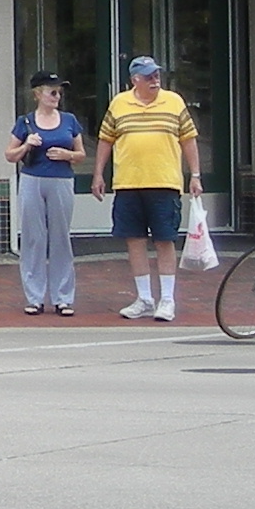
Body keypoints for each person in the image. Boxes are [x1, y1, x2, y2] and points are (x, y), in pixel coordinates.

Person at [90, 55, 201, 322]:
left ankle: (167, 300)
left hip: (164, 183)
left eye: (156, 75)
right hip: (128, 183)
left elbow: (189, 140)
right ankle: (144, 298)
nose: (155, 79)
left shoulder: (173, 102)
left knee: (165, 241)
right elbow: (106, 140)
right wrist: (98, 174)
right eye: (149, 75)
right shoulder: (119, 104)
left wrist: (195, 175)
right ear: (134, 80)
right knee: (135, 240)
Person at [6, 71, 87, 316]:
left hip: (61, 180)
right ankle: (34, 296)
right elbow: (10, 155)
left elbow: (81, 154)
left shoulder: (69, 120)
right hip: (32, 180)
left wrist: (68, 155)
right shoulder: (25, 122)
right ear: (38, 94)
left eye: (59, 92)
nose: (56, 96)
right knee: (34, 238)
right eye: (52, 91)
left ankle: (63, 297)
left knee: (60, 237)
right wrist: (27, 144)